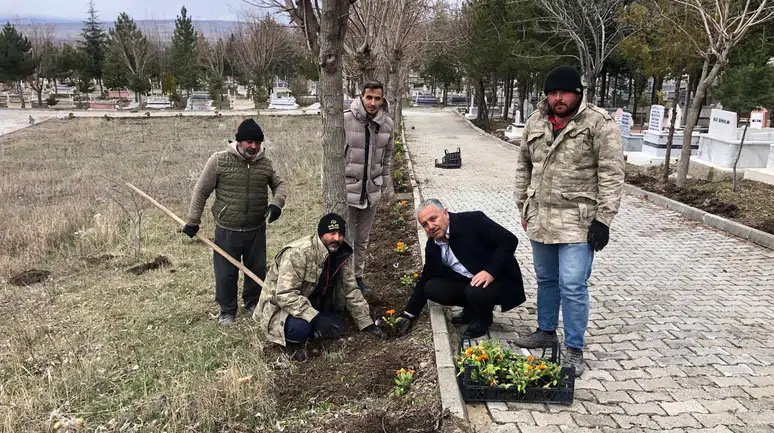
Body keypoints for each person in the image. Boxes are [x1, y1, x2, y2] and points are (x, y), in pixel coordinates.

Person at [513, 65, 625, 376]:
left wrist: (603, 220)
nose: (558, 98)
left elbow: (612, 174)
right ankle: (546, 331)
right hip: (540, 219)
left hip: (578, 222)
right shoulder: (536, 121)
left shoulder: (598, 124)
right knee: (546, 280)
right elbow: (523, 165)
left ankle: (574, 348)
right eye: (552, 92)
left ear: (578, 94)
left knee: (573, 285)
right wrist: (523, 204)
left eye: (564, 92)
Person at [183, 118, 287, 327]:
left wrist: (277, 204)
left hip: (256, 229)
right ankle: (227, 310)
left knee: (256, 270)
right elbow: (201, 190)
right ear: (239, 141)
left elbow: (279, 185)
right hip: (227, 230)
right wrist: (193, 221)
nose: (254, 146)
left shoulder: (265, 163)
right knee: (226, 274)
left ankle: (251, 302)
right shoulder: (219, 161)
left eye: (257, 142)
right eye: (249, 142)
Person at [253, 213, 385, 361]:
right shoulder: (298, 253)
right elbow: (284, 295)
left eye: (340, 234)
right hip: (280, 309)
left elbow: (351, 290)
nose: (336, 238)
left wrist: (366, 323)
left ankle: (314, 332)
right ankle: (294, 343)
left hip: (313, 304)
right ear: (321, 234)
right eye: (332, 233)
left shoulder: (341, 254)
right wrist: (315, 318)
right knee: (300, 329)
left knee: (338, 328)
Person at [394, 199, 526, 339]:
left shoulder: (473, 220)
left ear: (445, 212)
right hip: (470, 282)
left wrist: (490, 271)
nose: (431, 226)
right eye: (425, 224)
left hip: (499, 280)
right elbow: (426, 276)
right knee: (431, 288)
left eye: (433, 218)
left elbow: (509, 240)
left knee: (475, 291)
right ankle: (471, 310)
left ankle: (482, 320)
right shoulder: (433, 245)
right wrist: (409, 314)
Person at [344, 80, 395, 293]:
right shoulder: (345, 120)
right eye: (369, 97)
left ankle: (357, 277)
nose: (373, 103)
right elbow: (331, 157)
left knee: (362, 239)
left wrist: (386, 183)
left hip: (371, 192)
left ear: (383, 99)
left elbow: (387, 157)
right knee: (345, 238)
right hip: (346, 191)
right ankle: (342, 279)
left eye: (377, 98)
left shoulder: (387, 124)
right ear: (361, 97)